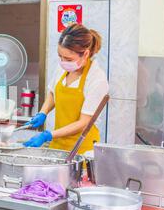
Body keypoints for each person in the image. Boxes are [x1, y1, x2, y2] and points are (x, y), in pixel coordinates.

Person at [24, 24, 109, 154]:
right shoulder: (63, 68)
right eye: (60, 56)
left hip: (81, 151)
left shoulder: (97, 79)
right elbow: (53, 92)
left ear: (85, 54)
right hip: (57, 146)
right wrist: (43, 112)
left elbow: (84, 123)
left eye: (68, 58)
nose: (63, 61)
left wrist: (47, 135)